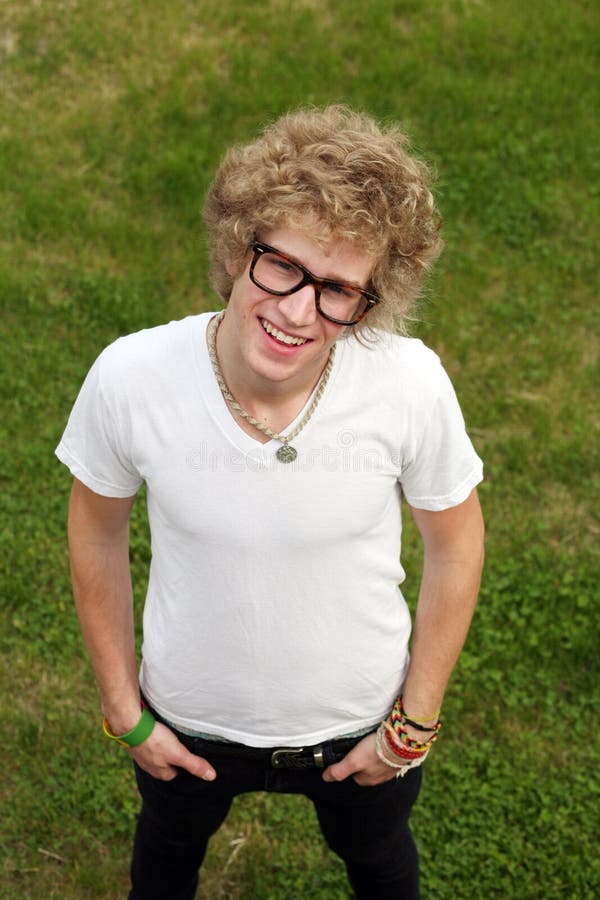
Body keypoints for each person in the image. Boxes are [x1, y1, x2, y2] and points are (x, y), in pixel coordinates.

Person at [56, 105, 484, 899]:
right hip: (187, 721)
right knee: (165, 861)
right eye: (281, 265)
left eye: (336, 291)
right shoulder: (130, 377)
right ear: (236, 244)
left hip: (363, 724)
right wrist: (124, 708)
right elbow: (95, 533)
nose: (296, 312)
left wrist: (413, 724)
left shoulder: (409, 382)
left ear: (370, 302)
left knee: (382, 861)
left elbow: (456, 546)